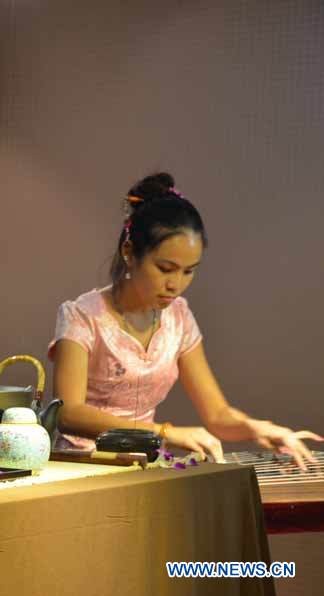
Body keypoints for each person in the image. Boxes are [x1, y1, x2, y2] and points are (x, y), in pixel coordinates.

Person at [49, 172, 321, 468]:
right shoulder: (83, 316)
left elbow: (217, 414)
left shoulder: (179, 316)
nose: (175, 284)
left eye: (188, 271)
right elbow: (69, 413)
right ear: (129, 252)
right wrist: (164, 432)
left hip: (143, 465)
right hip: (81, 465)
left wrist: (260, 429)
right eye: (166, 268)